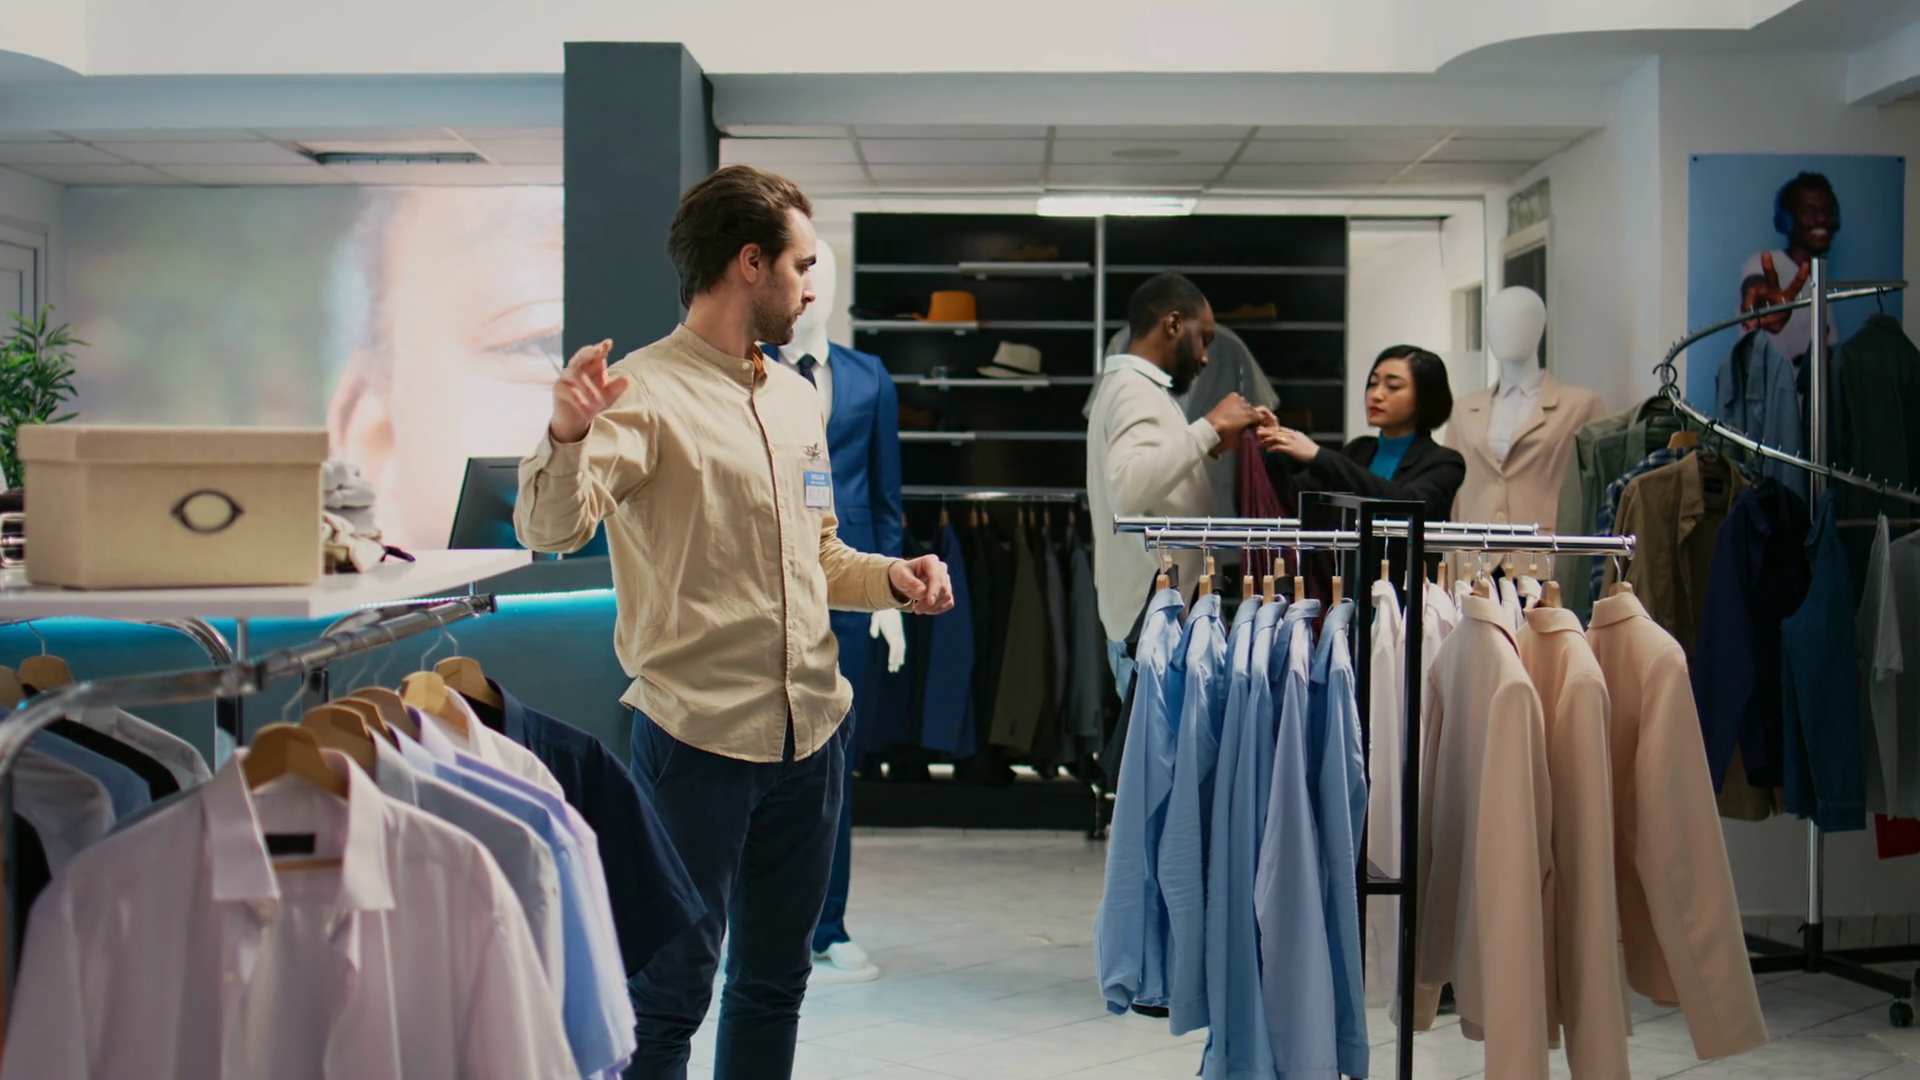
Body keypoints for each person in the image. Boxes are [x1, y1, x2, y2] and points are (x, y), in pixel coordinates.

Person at [513, 165, 955, 1079]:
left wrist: (894, 580)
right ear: (750, 263)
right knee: (668, 998)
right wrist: (565, 435)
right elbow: (551, 530)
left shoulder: (793, 398)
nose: (810, 288)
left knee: (774, 984)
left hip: (811, 735)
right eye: (801, 266)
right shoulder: (641, 392)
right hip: (697, 743)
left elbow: (819, 555)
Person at [1086, 272, 1274, 700]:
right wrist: (1209, 428)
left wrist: (1208, 447)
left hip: (1154, 616)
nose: (1205, 357)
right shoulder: (1134, 390)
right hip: (1151, 622)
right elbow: (1128, 489)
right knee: (1157, 744)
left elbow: (1147, 484)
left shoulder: (1137, 388)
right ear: (1173, 324)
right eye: (1203, 339)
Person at [1260, 344, 1465, 525]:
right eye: (1373, 384)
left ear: (1425, 397)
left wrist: (1318, 455)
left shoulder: (1445, 462)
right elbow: (1294, 498)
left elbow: (1408, 505)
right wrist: (1273, 446)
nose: (1376, 395)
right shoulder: (1359, 450)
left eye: (1393, 387)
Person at [1737, 171, 1840, 363]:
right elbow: (1755, 286)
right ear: (1786, 221)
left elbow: (1824, 352)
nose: (1821, 219)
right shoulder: (1762, 263)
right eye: (1809, 211)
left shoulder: (1819, 280)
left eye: (1827, 211)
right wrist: (1764, 305)